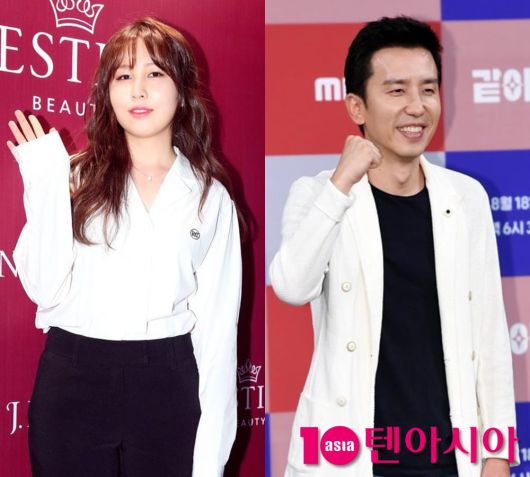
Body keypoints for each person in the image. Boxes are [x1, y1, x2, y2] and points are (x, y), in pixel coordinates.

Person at [270, 16, 517, 477]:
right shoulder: (321, 194)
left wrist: (498, 453)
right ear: (357, 107)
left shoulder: (466, 199)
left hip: (449, 454)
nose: (417, 107)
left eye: (428, 89)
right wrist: (341, 183)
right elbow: (291, 285)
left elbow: (490, 334)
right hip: (350, 453)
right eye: (397, 90)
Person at [7, 17, 241, 477]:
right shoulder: (73, 176)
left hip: (168, 382)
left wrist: (211, 460)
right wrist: (44, 182)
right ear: (106, 91)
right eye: (123, 75)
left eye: (154, 73)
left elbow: (217, 333)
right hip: (73, 378)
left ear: (182, 89)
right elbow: (44, 289)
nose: (138, 90)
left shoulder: (209, 197)